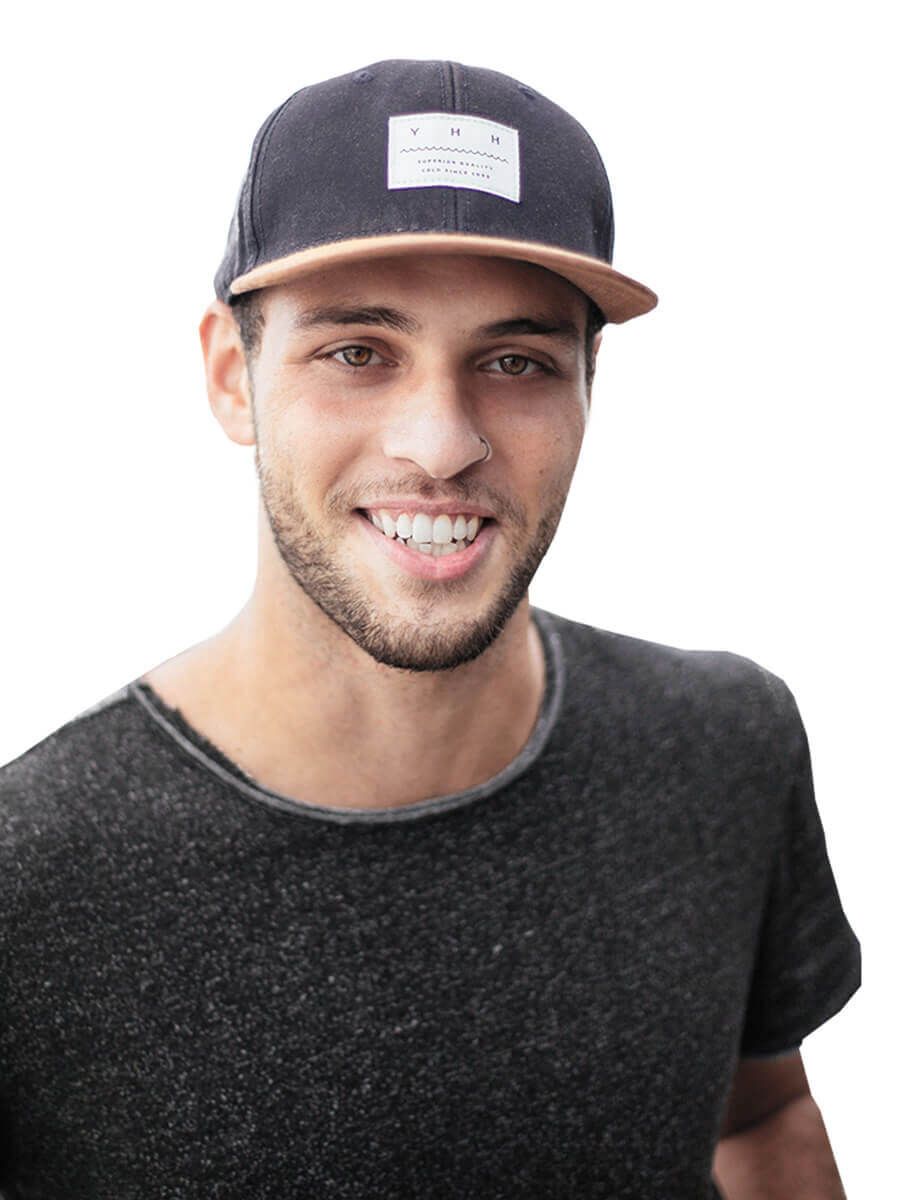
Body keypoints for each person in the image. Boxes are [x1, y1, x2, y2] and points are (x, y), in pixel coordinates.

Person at [0, 59, 860, 1200]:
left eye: (515, 362)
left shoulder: (725, 744)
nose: (442, 442)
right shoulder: (31, 878)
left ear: (588, 387)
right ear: (231, 376)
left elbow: (761, 1116)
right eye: (358, 351)